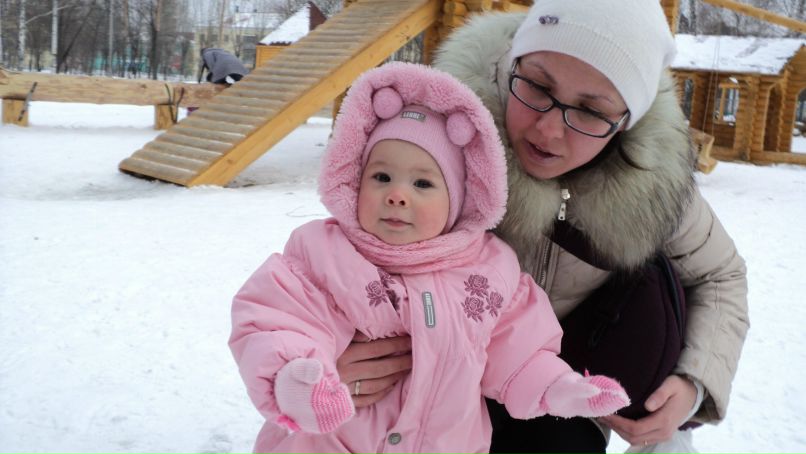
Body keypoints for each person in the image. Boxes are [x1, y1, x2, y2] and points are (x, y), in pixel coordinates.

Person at [336, 1, 749, 453]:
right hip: (419, 389)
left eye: (590, 111)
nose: (548, 130)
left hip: (550, 389)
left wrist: (694, 383)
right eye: (536, 85)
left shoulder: (653, 182)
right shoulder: (437, 135)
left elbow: (721, 274)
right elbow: (332, 258)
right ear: (511, 64)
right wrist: (325, 353)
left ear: (626, 123)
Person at [228, 62, 630, 453]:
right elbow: (275, 323)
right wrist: (296, 379)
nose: (397, 195)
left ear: (458, 200)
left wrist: (559, 388)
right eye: (381, 177)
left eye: (422, 183)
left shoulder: (491, 272)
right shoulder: (324, 254)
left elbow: (519, 352)